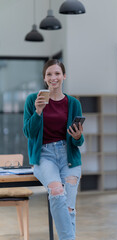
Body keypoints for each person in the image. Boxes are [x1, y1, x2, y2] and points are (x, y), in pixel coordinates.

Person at [23, 59, 84, 240]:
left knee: (69, 208)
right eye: (49, 74)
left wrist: (77, 136)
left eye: (57, 73)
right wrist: (38, 112)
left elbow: (79, 142)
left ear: (64, 76)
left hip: (69, 155)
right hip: (44, 155)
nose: (53, 77)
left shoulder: (73, 103)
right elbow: (28, 132)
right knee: (57, 192)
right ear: (44, 78)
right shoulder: (32, 100)